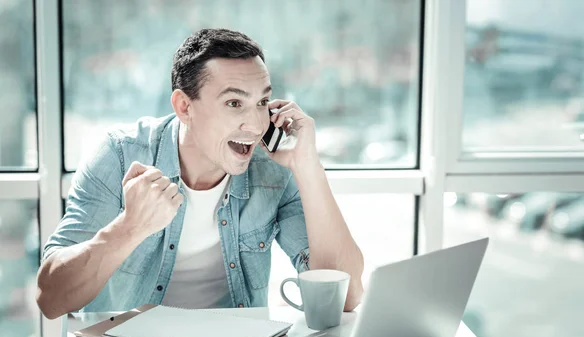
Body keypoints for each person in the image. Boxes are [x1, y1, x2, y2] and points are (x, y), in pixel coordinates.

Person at [36, 28, 364, 319]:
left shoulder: (273, 169)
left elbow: (346, 297)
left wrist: (309, 167)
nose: (255, 124)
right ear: (184, 107)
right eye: (234, 103)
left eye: (262, 102)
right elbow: (50, 299)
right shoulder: (120, 155)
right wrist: (129, 228)